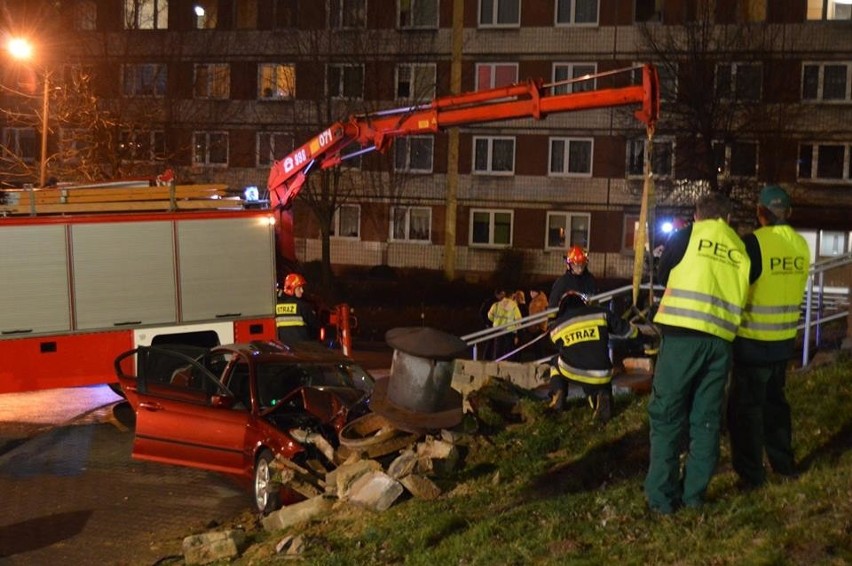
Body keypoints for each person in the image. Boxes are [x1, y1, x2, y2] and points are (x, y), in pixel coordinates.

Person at [644, 192, 751, 515]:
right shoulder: (740, 247)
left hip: (682, 336)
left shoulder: (688, 235)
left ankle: (662, 500)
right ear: (728, 218)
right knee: (705, 420)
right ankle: (693, 497)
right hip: (720, 342)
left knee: (666, 416)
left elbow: (664, 274)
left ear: (698, 214)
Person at [727, 185, 810, 489]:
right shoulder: (801, 245)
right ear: (788, 213)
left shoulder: (753, 244)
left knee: (745, 411)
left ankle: (751, 476)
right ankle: (784, 465)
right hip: (784, 342)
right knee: (776, 406)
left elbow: (736, 287)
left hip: (752, 343)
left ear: (760, 212)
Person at [547, 291, 638, 423]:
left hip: (574, 371)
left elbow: (555, 343)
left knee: (554, 361)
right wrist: (641, 336)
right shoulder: (601, 313)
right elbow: (627, 330)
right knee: (597, 384)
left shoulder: (557, 327)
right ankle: (599, 398)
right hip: (602, 372)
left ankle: (557, 394)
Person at [275, 273, 319, 345]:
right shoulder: (303, 306)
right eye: (299, 288)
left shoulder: (277, 306)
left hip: (285, 348)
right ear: (291, 289)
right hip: (302, 348)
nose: (302, 291)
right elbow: (315, 325)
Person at [487, 288, 522, 360]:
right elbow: (519, 320)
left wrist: (496, 321)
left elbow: (489, 316)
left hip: (498, 330)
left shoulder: (496, 305)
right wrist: (517, 334)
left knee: (498, 349)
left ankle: (497, 363)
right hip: (510, 331)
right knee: (509, 351)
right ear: (512, 296)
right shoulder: (514, 306)